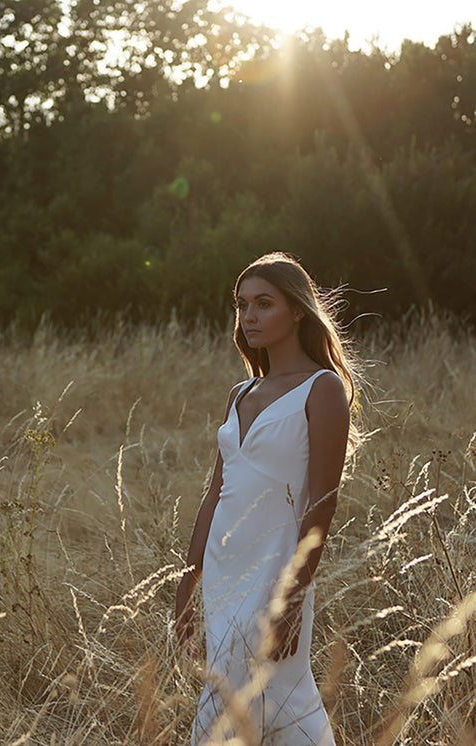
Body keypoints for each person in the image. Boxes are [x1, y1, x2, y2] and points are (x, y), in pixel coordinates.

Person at [176, 252, 356, 745]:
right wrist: (187, 582)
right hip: (222, 568)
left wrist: (293, 595)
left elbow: (323, 503)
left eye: (263, 303)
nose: (248, 316)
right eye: (241, 305)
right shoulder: (240, 393)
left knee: (282, 694)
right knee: (224, 698)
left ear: (297, 310)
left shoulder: (323, 390)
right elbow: (214, 494)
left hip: (276, 569)